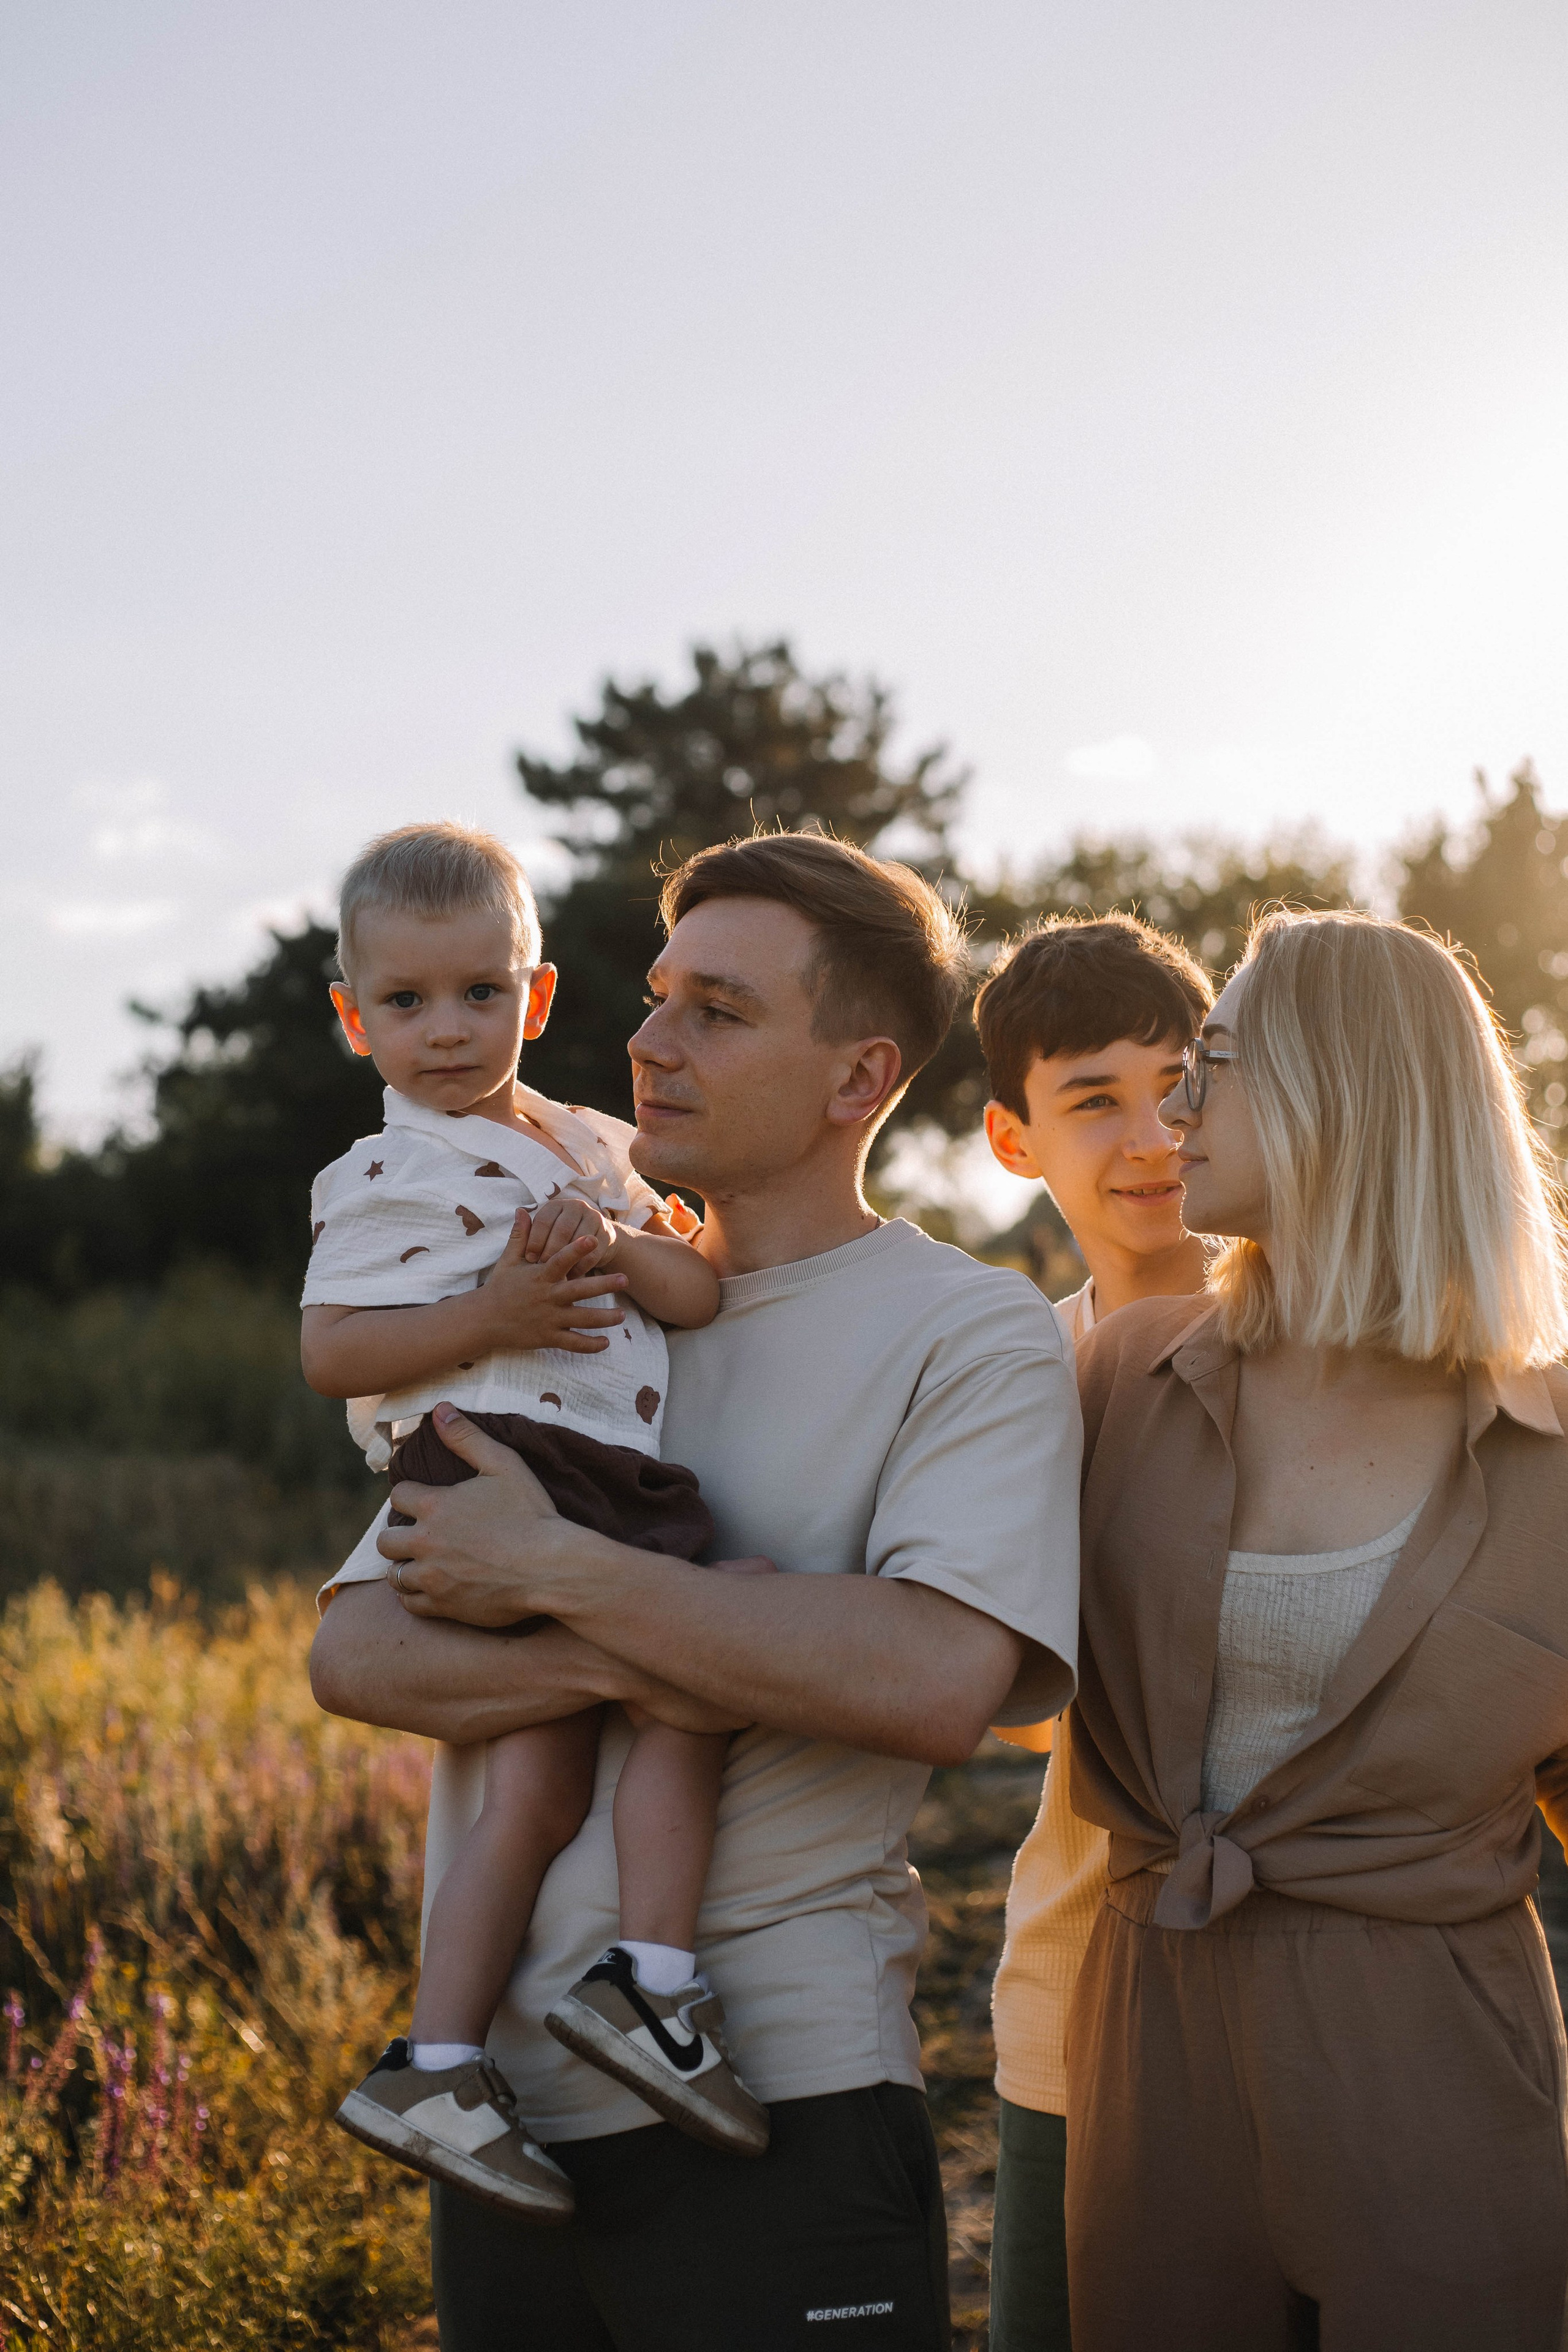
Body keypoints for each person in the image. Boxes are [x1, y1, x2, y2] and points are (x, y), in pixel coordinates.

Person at [310, 829, 1083, 2352]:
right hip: (496, 2118)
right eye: (658, 997)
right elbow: (361, 1655)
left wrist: (555, 1575)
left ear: (859, 1078)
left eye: (717, 1012)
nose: (648, 1041)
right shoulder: (557, 1304)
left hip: (774, 2102)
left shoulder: (968, 1334)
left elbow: (934, 1681)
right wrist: (660, 1648)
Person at [1065, 909, 1568, 2352]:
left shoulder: (1550, 1446)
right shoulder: (1115, 1378)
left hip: (1429, 2046)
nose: (1173, 1103)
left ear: (1337, 1088)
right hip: (1147, 2026)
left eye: (1209, 1061)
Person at [300, 822, 773, 2220]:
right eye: (404, 1002)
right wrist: (491, 1315)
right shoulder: (382, 1177)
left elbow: (695, 1296)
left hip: (598, 1479)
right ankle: (640, 1991)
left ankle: (458, 2056)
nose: (445, 1031)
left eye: (479, 993)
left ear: (539, 996)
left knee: (558, 1771)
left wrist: (621, 1244)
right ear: (352, 1017)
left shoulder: (594, 1145)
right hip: (487, 1466)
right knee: (700, 1657)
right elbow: (332, 1351)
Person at [974, 915, 1212, 2352]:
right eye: (1093, 1101)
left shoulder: (1341, 1348)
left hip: (1321, 2014)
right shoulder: (1015, 1380)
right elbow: (1011, 1708)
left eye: (1179, 1087)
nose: (1151, 1139)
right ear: (1013, 1142)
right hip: (1074, 2003)